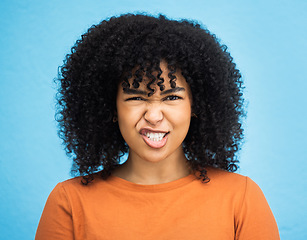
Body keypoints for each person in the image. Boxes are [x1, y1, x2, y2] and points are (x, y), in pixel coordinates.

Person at [35, 13, 280, 239]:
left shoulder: (241, 198)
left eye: (172, 97)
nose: (153, 116)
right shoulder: (69, 202)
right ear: (110, 108)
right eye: (136, 97)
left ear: (196, 107)